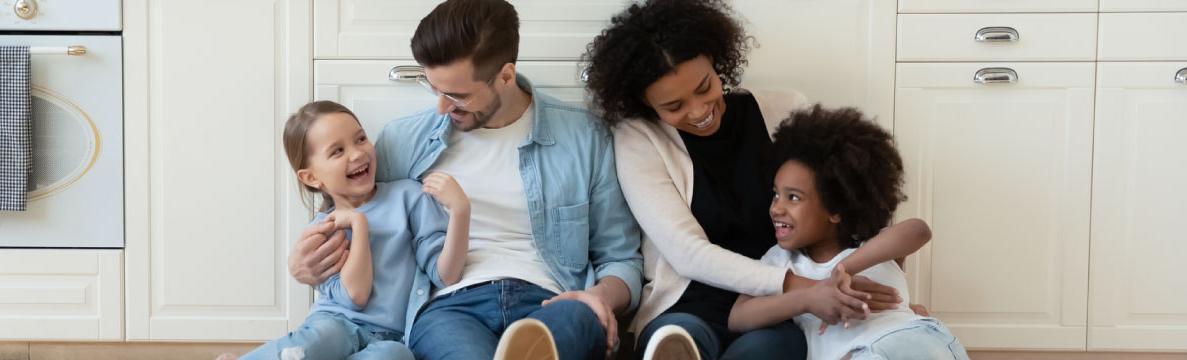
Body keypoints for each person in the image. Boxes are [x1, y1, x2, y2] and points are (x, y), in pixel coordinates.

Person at [291, 1, 644, 359]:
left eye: (457, 95)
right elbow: (350, 208)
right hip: (449, 308)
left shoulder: (584, 138)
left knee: (579, 318)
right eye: (435, 89)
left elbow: (621, 258)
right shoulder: (404, 141)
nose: (442, 108)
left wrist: (600, 297)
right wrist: (304, 264)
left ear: (506, 76)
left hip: (552, 300)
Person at [581, 0, 932, 358]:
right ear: (645, 103)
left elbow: (840, 197)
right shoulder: (639, 138)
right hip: (691, 302)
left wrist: (900, 310)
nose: (699, 111)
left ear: (717, 61)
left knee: (769, 348)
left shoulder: (785, 109)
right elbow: (689, 255)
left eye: (705, 87)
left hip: (779, 308)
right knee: (679, 337)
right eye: (674, 106)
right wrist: (809, 287)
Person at [234, 101, 471, 360]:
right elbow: (355, 296)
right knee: (316, 342)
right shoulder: (323, 229)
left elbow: (446, 276)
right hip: (336, 323)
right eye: (337, 151)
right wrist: (359, 225)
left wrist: (460, 212)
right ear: (311, 178)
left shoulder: (409, 197)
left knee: (397, 356)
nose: (357, 154)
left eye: (360, 139)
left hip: (392, 336)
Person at [728, 105, 965, 360]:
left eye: (793, 197)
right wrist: (808, 298)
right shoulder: (780, 262)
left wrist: (844, 270)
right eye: (776, 194)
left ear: (836, 208)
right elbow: (738, 318)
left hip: (906, 341)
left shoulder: (872, 247)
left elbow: (919, 230)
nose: (777, 207)